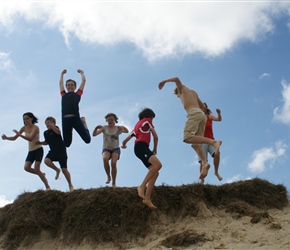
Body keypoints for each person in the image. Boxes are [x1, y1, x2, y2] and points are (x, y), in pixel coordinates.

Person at [158, 77, 222, 181]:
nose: (179, 98)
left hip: (194, 114)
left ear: (178, 92)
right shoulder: (194, 93)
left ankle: (214, 142)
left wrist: (164, 81)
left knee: (187, 137)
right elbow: (203, 108)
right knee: (196, 144)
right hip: (202, 116)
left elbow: (176, 79)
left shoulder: (181, 89)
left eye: (178, 96)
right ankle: (205, 164)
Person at [121, 108, 162, 210]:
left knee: (155, 172)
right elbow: (156, 136)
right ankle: (142, 186)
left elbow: (125, 140)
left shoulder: (137, 126)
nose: (152, 121)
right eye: (152, 118)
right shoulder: (147, 121)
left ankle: (147, 199)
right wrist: (155, 149)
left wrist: (124, 145)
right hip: (142, 147)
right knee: (158, 165)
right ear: (147, 116)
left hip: (138, 148)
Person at [1, 112, 50, 190]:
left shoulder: (35, 127)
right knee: (26, 168)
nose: (25, 120)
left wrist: (20, 135)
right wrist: (6, 138)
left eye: (27, 118)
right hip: (31, 151)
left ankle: (47, 187)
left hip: (38, 150)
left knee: (37, 169)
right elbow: (14, 138)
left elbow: (31, 138)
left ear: (31, 118)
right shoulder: (24, 128)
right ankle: (41, 174)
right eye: (24, 119)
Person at [36, 116, 74, 192]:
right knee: (46, 161)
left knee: (64, 169)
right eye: (46, 123)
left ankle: (70, 184)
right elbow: (47, 142)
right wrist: (40, 143)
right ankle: (56, 170)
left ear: (54, 123)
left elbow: (58, 132)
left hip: (61, 151)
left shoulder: (56, 128)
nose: (47, 124)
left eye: (49, 122)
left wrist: (52, 126)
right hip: (53, 151)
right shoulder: (45, 133)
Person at [92, 113, 129, 188]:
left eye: (112, 119)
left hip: (115, 148)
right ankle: (109, 176)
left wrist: (123, 127)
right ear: (106, 120)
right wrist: (96, 128)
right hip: (106, 148)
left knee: (114, 163)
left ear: (115, 120)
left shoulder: (117, 128)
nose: (110, 121)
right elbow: (94, 134)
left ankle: (114, 182)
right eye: (108, 120)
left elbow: (127, 131)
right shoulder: (104, 128)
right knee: (105, 159)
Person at [59, 69, 91, 147]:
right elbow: (60, 83)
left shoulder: (77, 94)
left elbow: (84, 81)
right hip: (65, 119)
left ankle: (84, 123)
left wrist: (82, 73)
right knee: (67, 144)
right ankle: (71, 129)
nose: (70, 86)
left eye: (72, 85)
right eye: (68, 85)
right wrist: (62, 74)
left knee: (87, 140)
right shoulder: (63, 94)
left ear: (74, 87)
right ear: (66, 87)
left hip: (75, 118)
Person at [198, 103, 222, 183]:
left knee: (217, 154)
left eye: (204, 106)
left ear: (206, 108)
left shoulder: (209, 116)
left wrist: (219, 113)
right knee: (203, 161)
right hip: (202, 141)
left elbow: (219, 119)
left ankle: (216, 172)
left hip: (211, 141)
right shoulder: (197, 118)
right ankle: (202, 180)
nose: (202, 108)